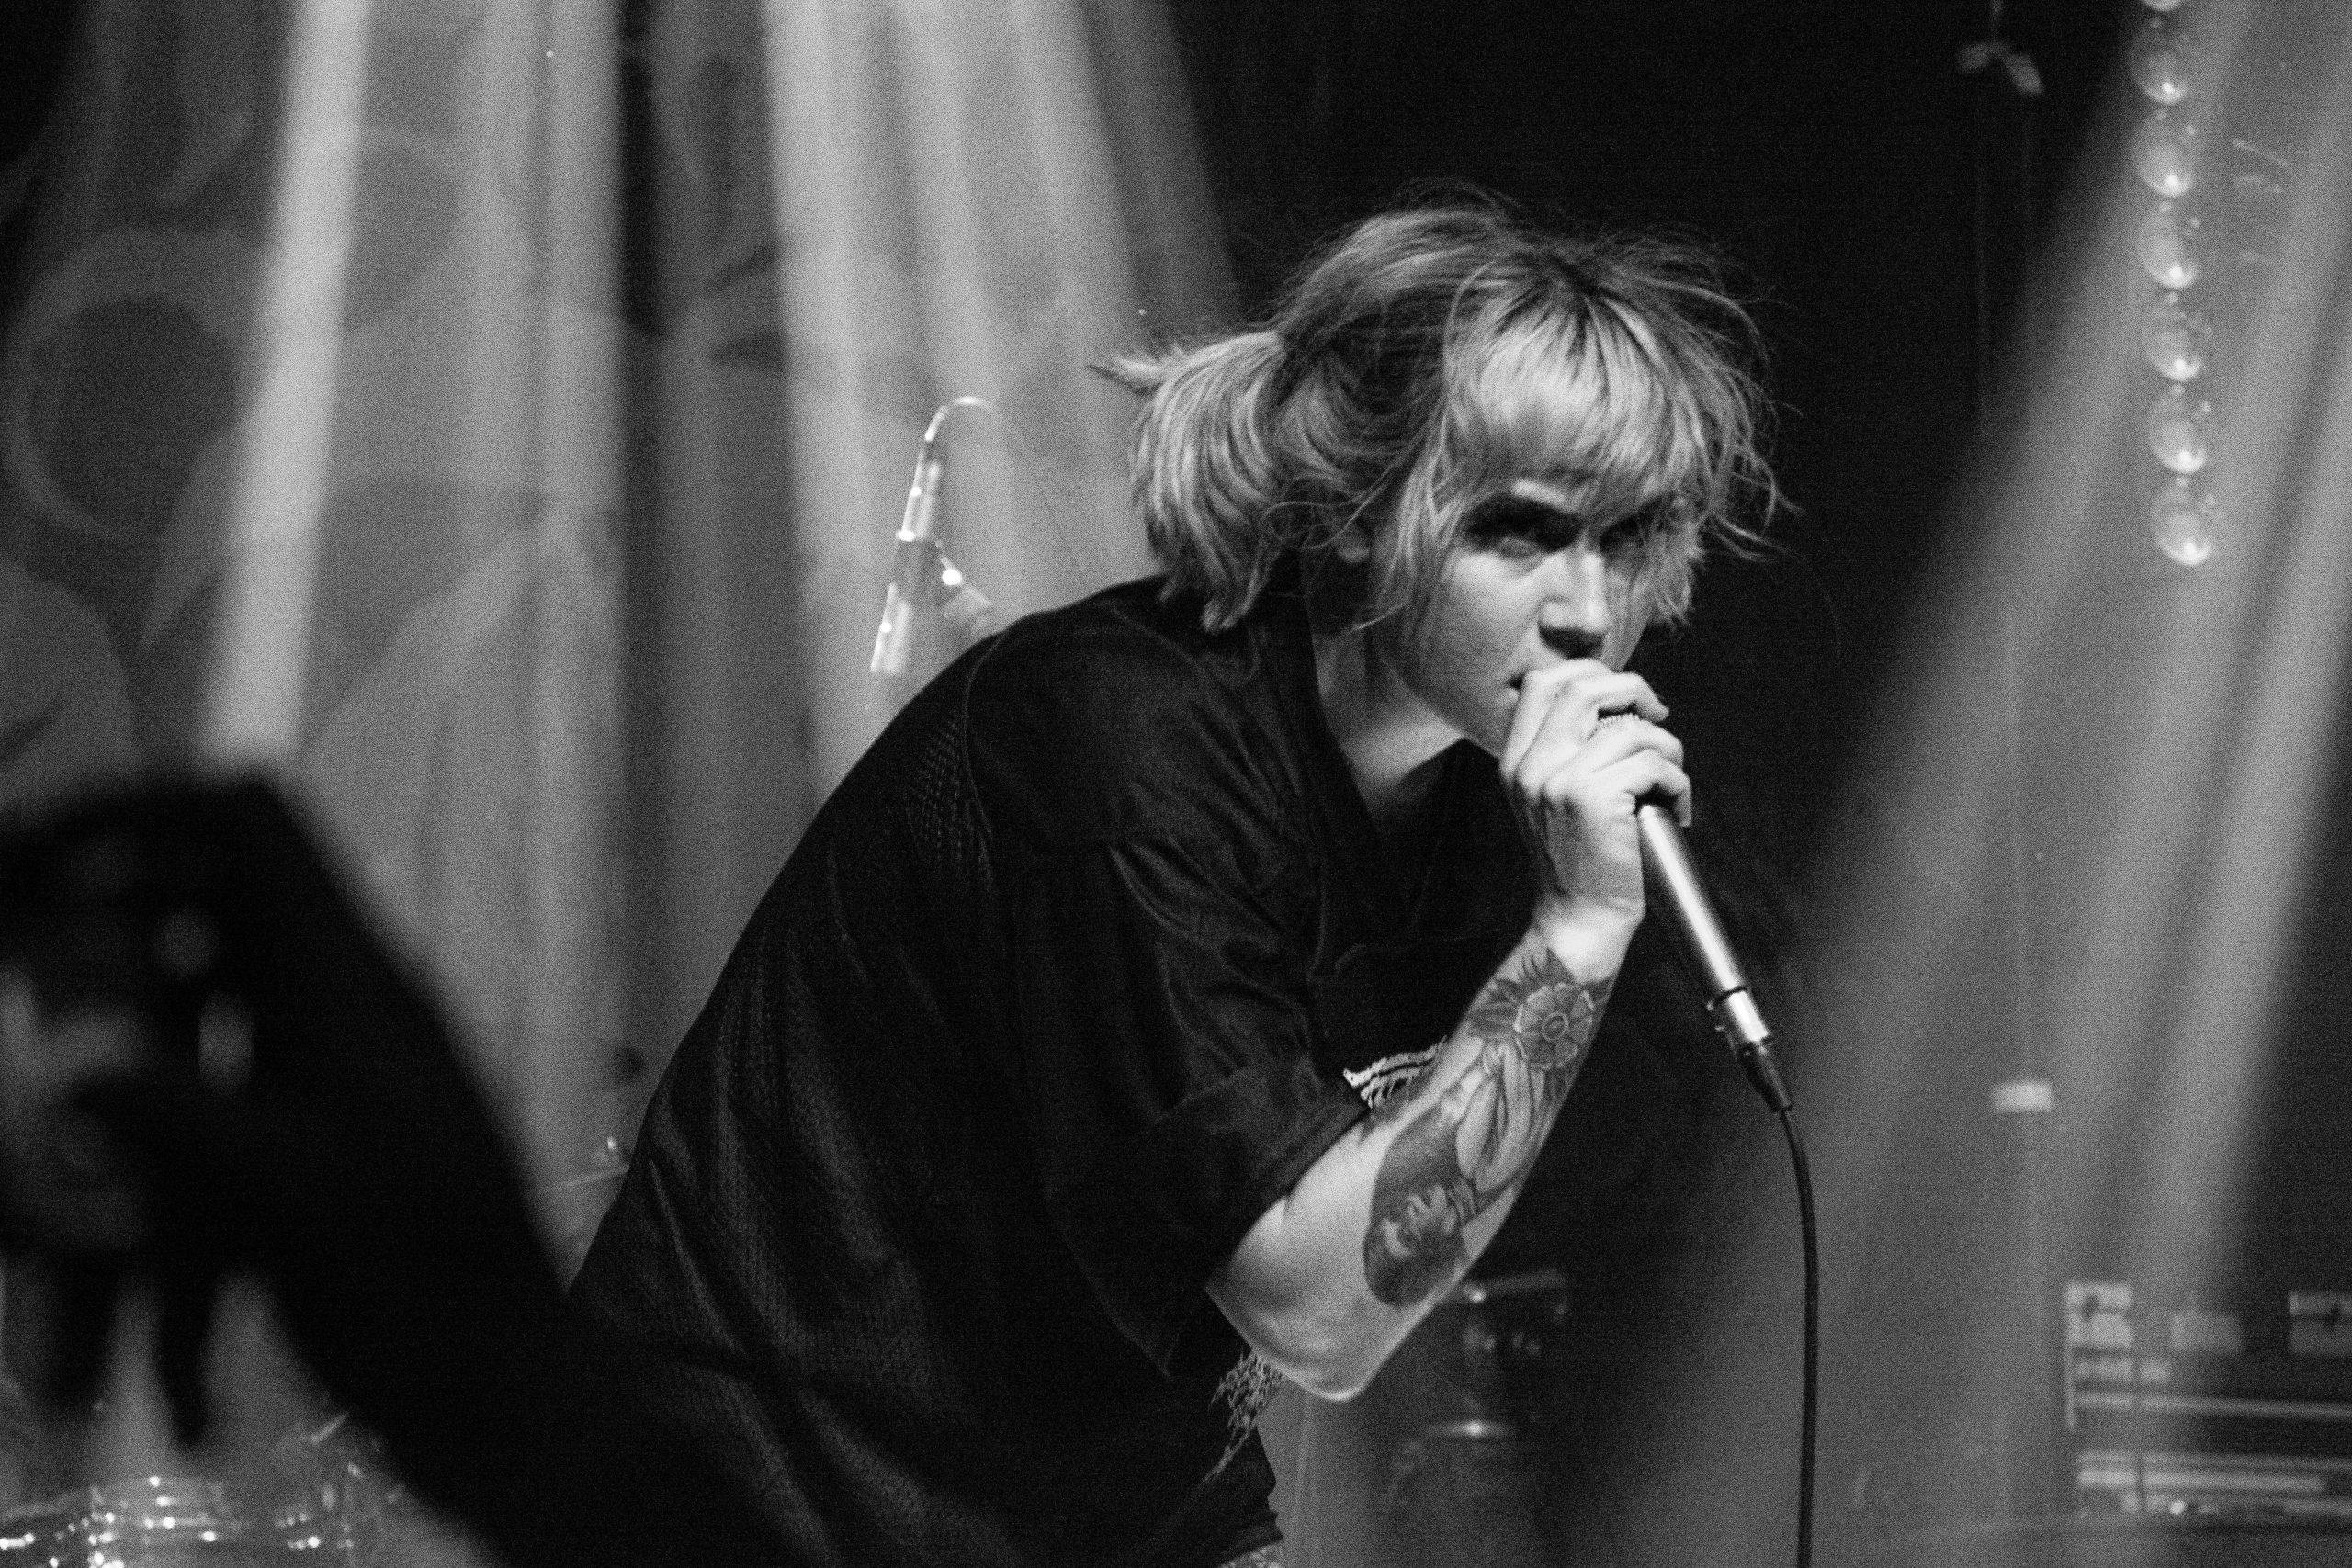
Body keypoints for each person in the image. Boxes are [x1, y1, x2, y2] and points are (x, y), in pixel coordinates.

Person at [570, 199, 1776, 1568]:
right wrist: (1579, 927)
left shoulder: (1494, 796)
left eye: (1623, 540)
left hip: (1098, 1495)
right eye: (1520, 533)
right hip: (764, 1492)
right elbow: (1315, 1310)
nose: (1586, 612)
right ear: (1360, 508)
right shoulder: (1128, 753)